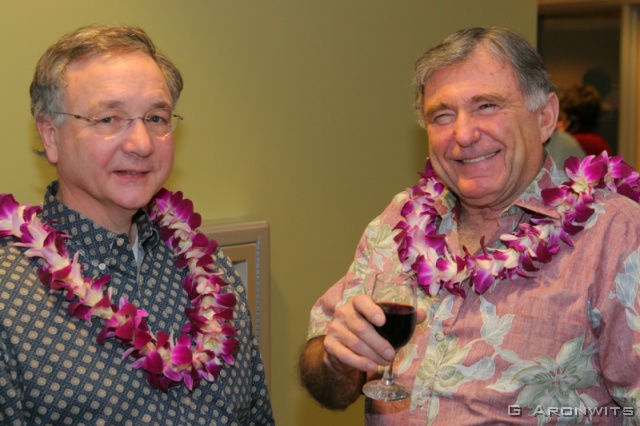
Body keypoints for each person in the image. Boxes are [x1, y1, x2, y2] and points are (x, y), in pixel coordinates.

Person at [298, 27, 640, 424]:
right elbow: (327, 384)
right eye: (442, 115)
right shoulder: (398, 220)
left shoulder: (615, 234)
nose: (463, 134)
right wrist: (336, 360)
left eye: (487, 106)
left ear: (545, 118)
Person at [0, 24, 273, 425]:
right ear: (51, 135)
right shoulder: (8, 300)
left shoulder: (216, 277)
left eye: (156, 118)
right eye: (109, 118)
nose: (142, 144)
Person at [558, 83, 614, 157]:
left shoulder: (572, 143)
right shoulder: (599, 142)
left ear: (572, 121)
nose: (557, 124)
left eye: (561, 119)